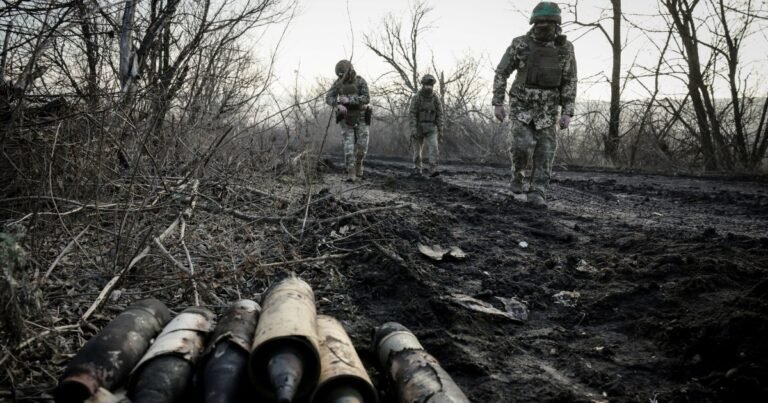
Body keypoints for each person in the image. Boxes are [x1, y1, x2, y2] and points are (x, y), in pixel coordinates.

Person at [492, 1, 577, 207]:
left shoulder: (565, 49)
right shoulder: (520, 44)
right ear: (533, 22)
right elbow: (502, 72)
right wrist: (498, 102)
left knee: (545, 151)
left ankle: (538, 191)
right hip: (522, 106)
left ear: (557, 24)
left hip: (548, 110)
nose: (544, 25)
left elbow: (570, 80)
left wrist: (567, 112)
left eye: (549, 22)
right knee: (521, 145)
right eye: (540, 21)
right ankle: (518, 176)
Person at [326, 59, 371, 182]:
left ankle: (358, 164)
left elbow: (366, 98)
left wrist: (350, 100)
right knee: (349, 147)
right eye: (339, 75)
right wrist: (337, 104)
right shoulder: (338, 84)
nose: (341, 77)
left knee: (362, 146)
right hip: (346, 118)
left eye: (343, 74)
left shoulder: (360, 81)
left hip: (361, 116)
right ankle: (350, 172)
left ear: (349, 71)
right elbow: (328, 97)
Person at [408, 74, 444, 177]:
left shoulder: (435, 99)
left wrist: (441, 130)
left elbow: (440, 115)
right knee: (417, 151)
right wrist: (413, 129)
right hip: (418, 127)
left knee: (434, 148)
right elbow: (412, 114)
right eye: (427, 85)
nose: (429, 87)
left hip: (431, 127)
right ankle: (417, 168)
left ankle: (433, 169)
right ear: (423, 85)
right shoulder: (417, 97)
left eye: (431, 85)